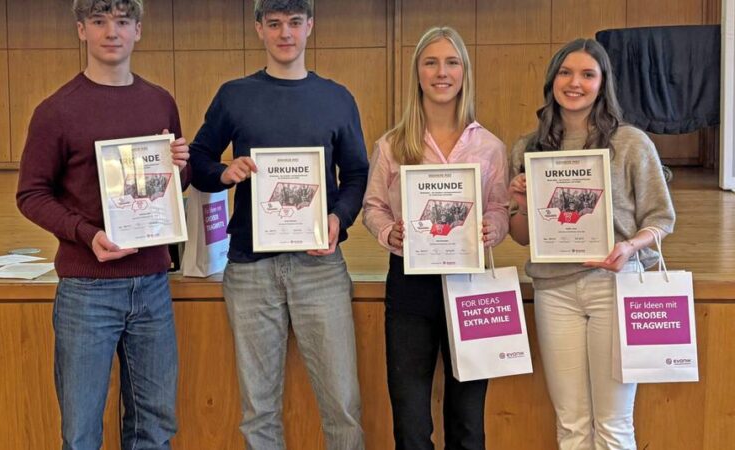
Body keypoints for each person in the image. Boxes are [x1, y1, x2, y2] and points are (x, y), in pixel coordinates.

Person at [187, 0, 368, 448]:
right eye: (274, 24)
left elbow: (357, 174)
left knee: (342, 406)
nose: (284, 34)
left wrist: (337, 217)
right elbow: (199, 159)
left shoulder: (336, 98)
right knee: (258, 411)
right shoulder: (235, 95)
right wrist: (224, 173)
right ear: (258, 30)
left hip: (320, 269)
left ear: (309, 26)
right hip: (250, 270)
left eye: (293, 23)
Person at [16, 1, 190, 448]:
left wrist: (179, 169)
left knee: (155, 427)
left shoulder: (159, 102)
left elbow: (167, 189)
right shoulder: (55, 111)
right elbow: (31, 194)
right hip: (86, 290)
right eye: (98, 22)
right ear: (81, 30)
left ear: (138, 31)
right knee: (80, 433)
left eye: (122, 22)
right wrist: (86, 234)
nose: (111, 32)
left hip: (152, 283)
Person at [507, 38, 676, 449]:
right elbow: (522, 237)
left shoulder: (632, 143)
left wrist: (629, 248)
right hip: (554, 290)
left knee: (615, 425)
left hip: (614, 287)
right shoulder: (528, 148)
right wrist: (522, 202)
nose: (575, 83)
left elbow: (660, 220)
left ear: (603, 83)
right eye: (566, 72)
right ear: (551, 81)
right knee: (572, 425)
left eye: (587, 74)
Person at [362, 26, 509, 450]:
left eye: (451, 62)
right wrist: (391, 232)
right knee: (410, 423)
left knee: (468, 423)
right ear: (418, 73)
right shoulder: (391, 145)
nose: (441, 72)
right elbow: (373, 207)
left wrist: (491, 228)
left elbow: (499, 208)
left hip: (472, 285)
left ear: (464, 72)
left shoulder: (490, 147)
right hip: (410, 286)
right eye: (431, 62)